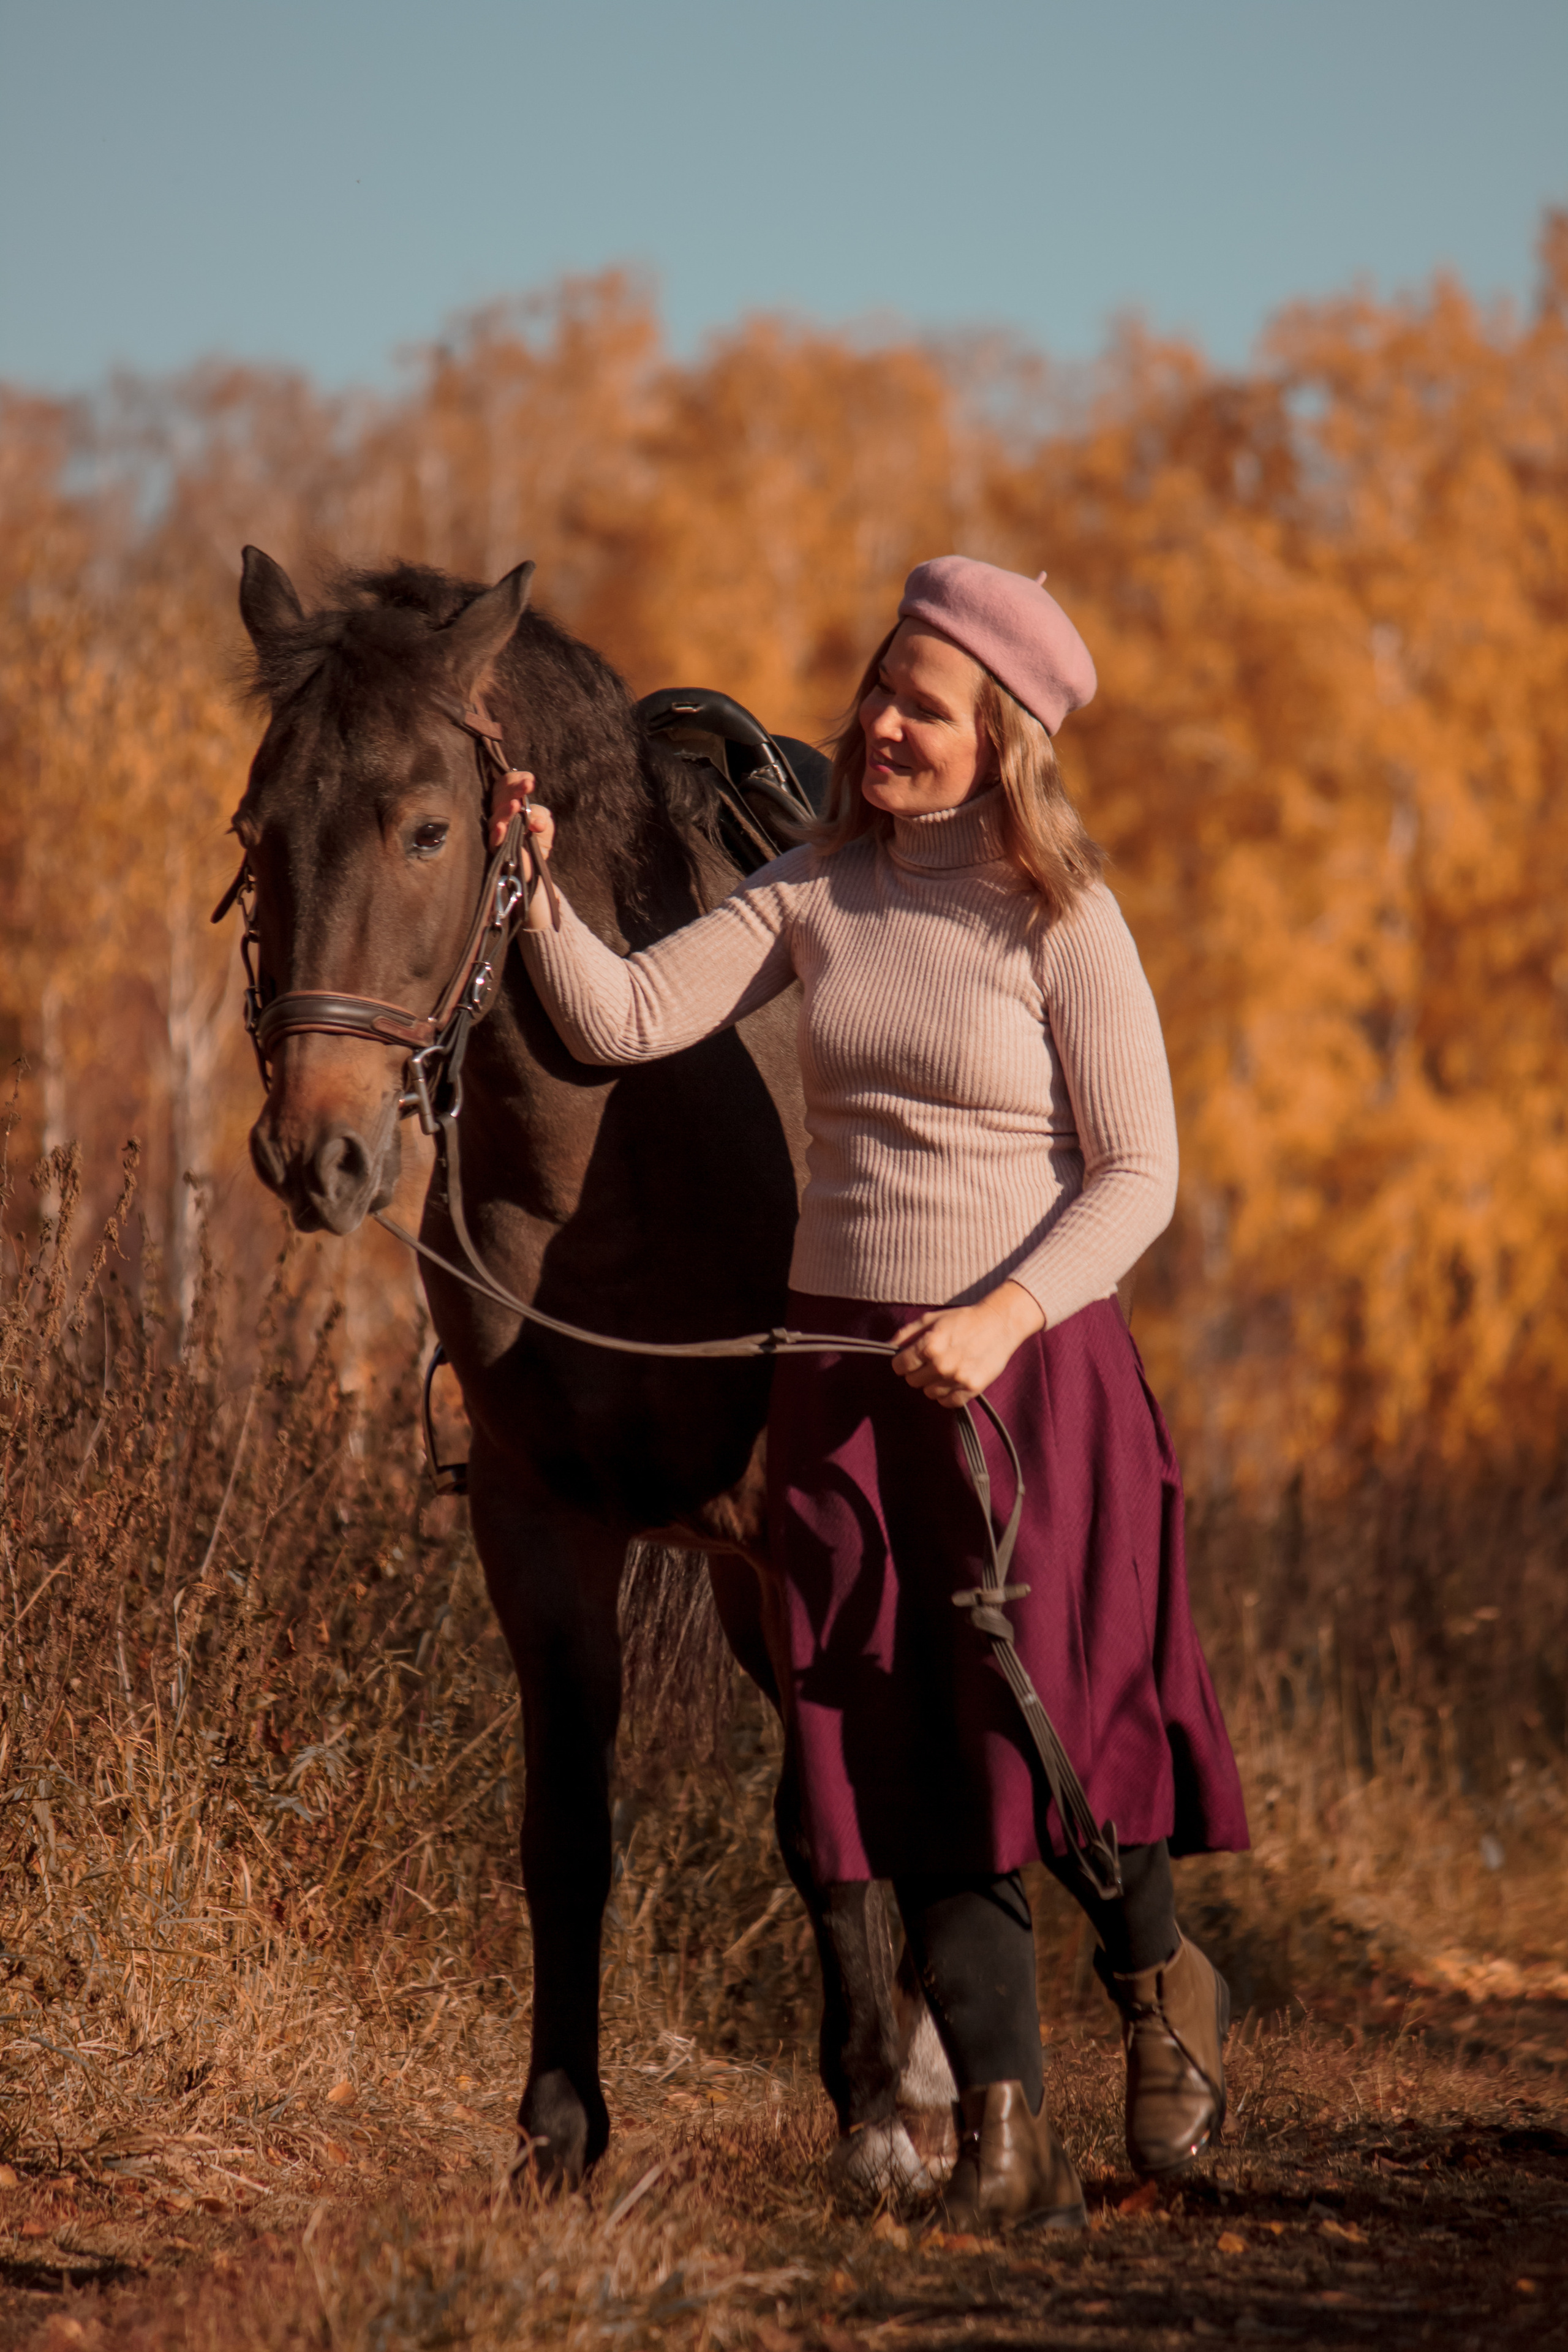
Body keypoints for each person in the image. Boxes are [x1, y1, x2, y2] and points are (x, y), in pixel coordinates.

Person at [505, 556, 1249, 2231]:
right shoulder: (812, 889)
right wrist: (538, 896)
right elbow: (624, 1019)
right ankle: (1005, 2126)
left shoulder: (1060, 920)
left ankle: (1161, 1978)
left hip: (1028, 1379)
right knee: (906, 1741)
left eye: (928, 703)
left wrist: (1001, 1315)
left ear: (1005, 742)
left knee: (1053, 1729)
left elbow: (1141, 1175)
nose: (884, 722)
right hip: (839, 1381)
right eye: (883, 690)